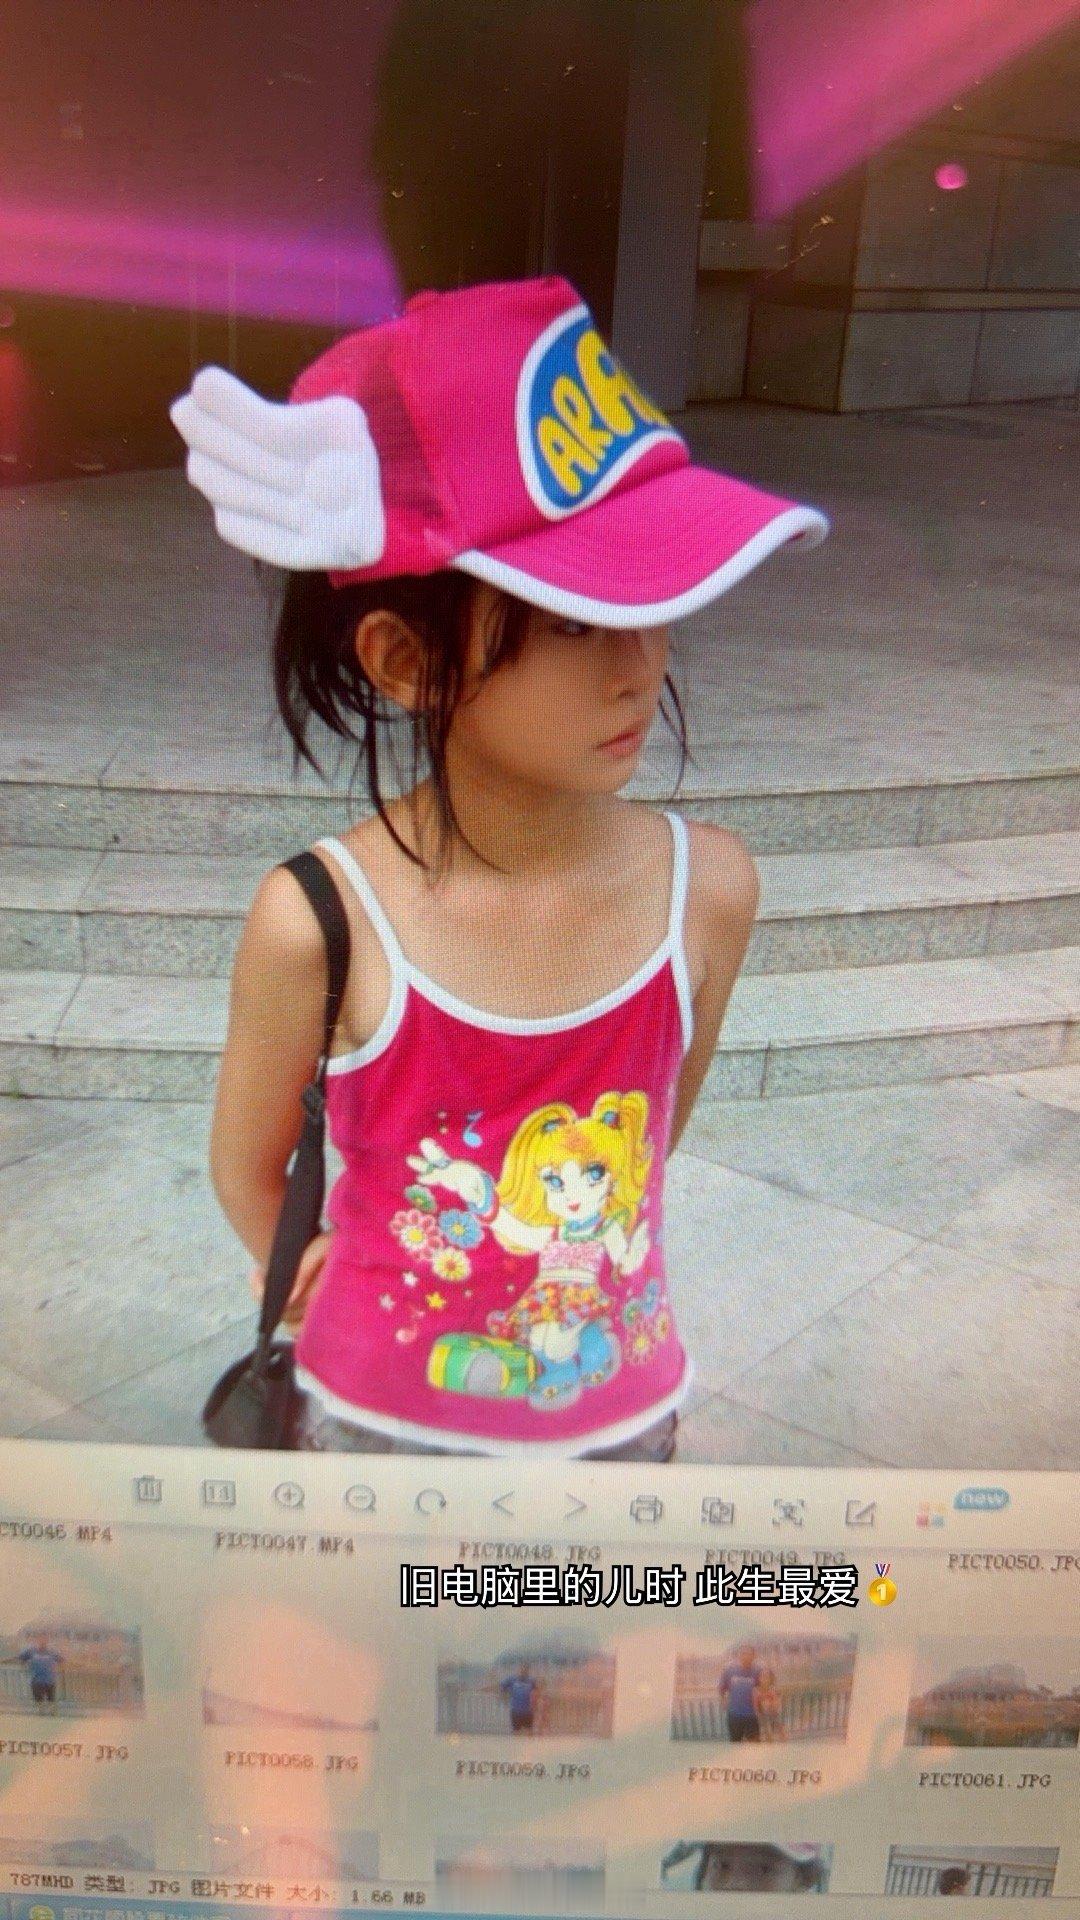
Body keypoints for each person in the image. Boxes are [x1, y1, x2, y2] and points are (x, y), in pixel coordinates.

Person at [172, 276, 826, 1460]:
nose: (639, 665)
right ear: (406, 662)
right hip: (375, 1433)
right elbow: (243, 1166)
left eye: (655, 594)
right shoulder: (318, 920)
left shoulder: (712, 890)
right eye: (574, 619)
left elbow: (643, 1146)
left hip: (621, 1420)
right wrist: (320, 1273)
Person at [2, 1635, 64, 1712]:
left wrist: (58, 1669)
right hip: (36, 1681)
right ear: (37, 1641)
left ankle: (52, 1713)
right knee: (39, 1702)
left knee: (51, 1702)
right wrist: (4, 1661)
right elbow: (18, 1658)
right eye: (40, 1640)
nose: (42, 1642)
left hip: (50, 1681)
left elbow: (62, 1661)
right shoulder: (31, 1651)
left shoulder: (52, 1652)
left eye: (44, 1640)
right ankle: (41, 1713)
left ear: (47, 1642)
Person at [719, 1644, 765, 1742]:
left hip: (752, 1715)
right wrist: (723, 1700)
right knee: (736, 1743)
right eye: (743, 1653)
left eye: (749, 1654)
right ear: (738, 1655)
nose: (746, 1656)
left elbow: (765, 1687)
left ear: (754, 1656)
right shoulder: (729, 1669)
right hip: (734, 1715)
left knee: (755, 1745)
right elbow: (722, 1688)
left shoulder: (759, 1670)